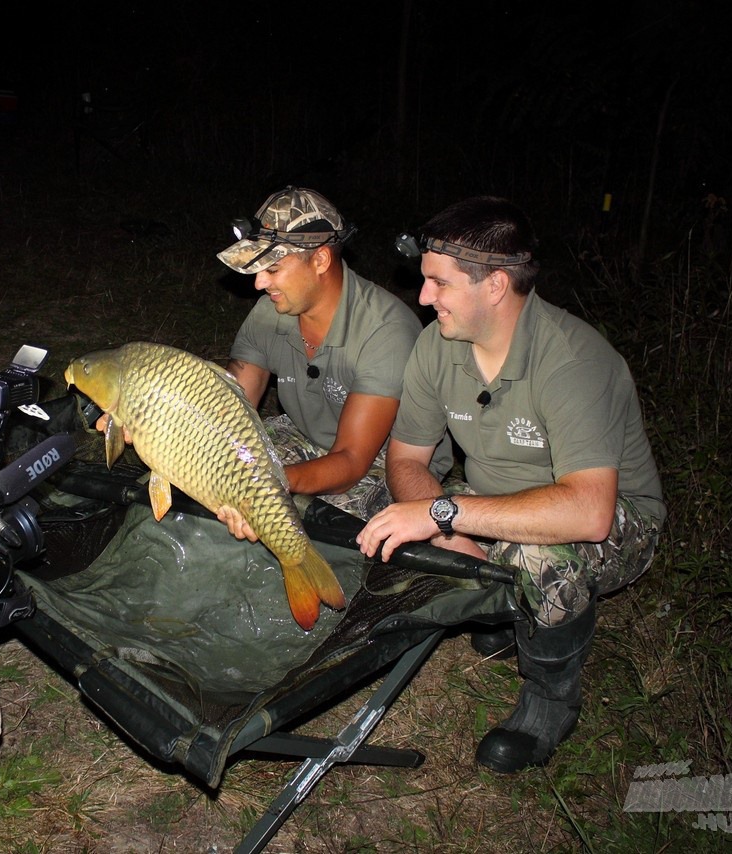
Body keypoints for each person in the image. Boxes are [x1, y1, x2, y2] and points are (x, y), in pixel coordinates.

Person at [356, 197, 665, 773]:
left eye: (438, 284)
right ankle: (509, 608)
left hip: (615, 518)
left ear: (495, 286)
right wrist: (444, 526)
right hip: (489, 504)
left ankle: (550, 702)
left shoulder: (572, 361)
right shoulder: (437, 345)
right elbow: (405, 457)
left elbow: (589, 512)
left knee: (538, 553)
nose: (422, 298)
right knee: (381, 499)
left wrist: (446, 514)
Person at [215, 186, 449, 525]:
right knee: (208, 473)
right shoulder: (270, 312)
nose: (258, 283)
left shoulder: (384, 331)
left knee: (306, 519)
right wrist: (159, 427)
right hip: (303, 432)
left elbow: (351, 461)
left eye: (274, 268)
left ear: (321, 259)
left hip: (385, 460)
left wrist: (269, 483)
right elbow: (229, 415)